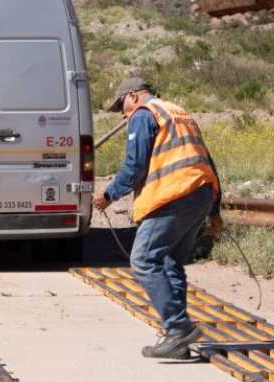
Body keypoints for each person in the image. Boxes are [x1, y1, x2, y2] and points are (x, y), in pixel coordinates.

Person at [94, 78, 223, 359]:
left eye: (121, 106)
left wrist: (108, 194)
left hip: (173, 195)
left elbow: (135, 166)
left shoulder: (143, 115)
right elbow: (206, 161)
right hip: (200, 193)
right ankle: (177, 342)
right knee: (170, 262)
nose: (123, 114)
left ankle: (178, 328)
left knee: (143, 260)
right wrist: (215, 210)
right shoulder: (178, 112)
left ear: (133, 96)